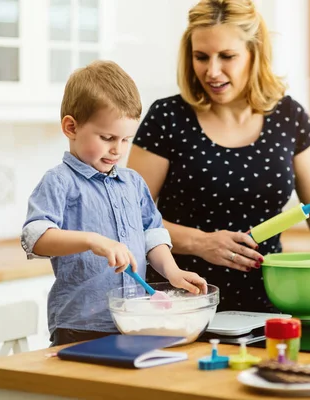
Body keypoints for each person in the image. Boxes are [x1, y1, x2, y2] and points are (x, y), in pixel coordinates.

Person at [127, 0, 310, 313]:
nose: (212, 71)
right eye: (201, 57)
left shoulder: (289, 116)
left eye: (227, 56)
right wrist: (200, 242)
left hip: (272, 301)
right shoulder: (167, 118)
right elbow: (129, 220)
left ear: (254, 53)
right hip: (183, 304)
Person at [21, 61, 207, 346]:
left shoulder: (133, 183)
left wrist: (172, 272)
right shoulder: (59, 182)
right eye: (107, 138)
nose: (117, 150)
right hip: (79, 325)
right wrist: (92, 240)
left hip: (132, 321)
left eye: (125, 139)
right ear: (71, 127)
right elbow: (36, 238)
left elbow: (152, 234)